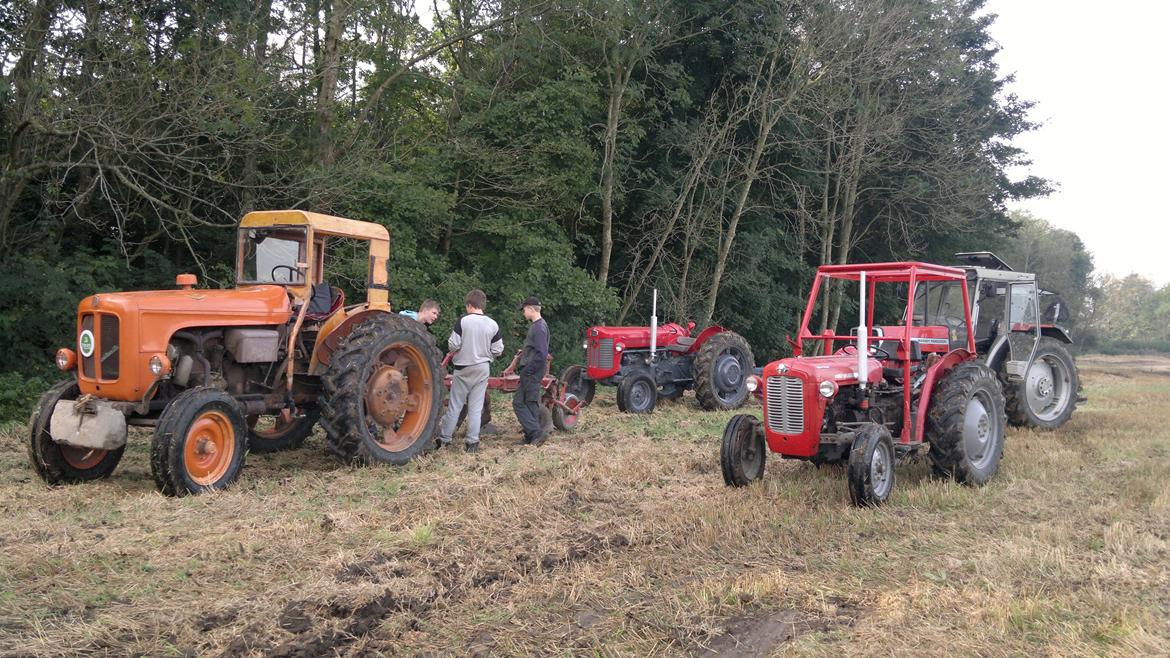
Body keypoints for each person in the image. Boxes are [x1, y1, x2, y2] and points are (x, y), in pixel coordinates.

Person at [438, 290, 503, 453]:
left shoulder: (463, 321)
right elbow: (498, 350)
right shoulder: (493, 324)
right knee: (476, 406)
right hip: (482, 368)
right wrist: (486, 353)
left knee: (455, 405)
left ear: (469, 305)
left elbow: (453, 345)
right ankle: (472, 443)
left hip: (463, 368)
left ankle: (445, 439)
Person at [513, 296, 549, 446]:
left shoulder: (539, 328)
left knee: (518, 403)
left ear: (530, 308)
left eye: (524, 310)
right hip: (533, 369)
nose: (523, 313)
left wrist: (528, 370)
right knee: (530, 402)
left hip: (532, 371)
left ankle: (536, 432)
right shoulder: (538, 325)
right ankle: (531, 437)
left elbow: (542, 353)